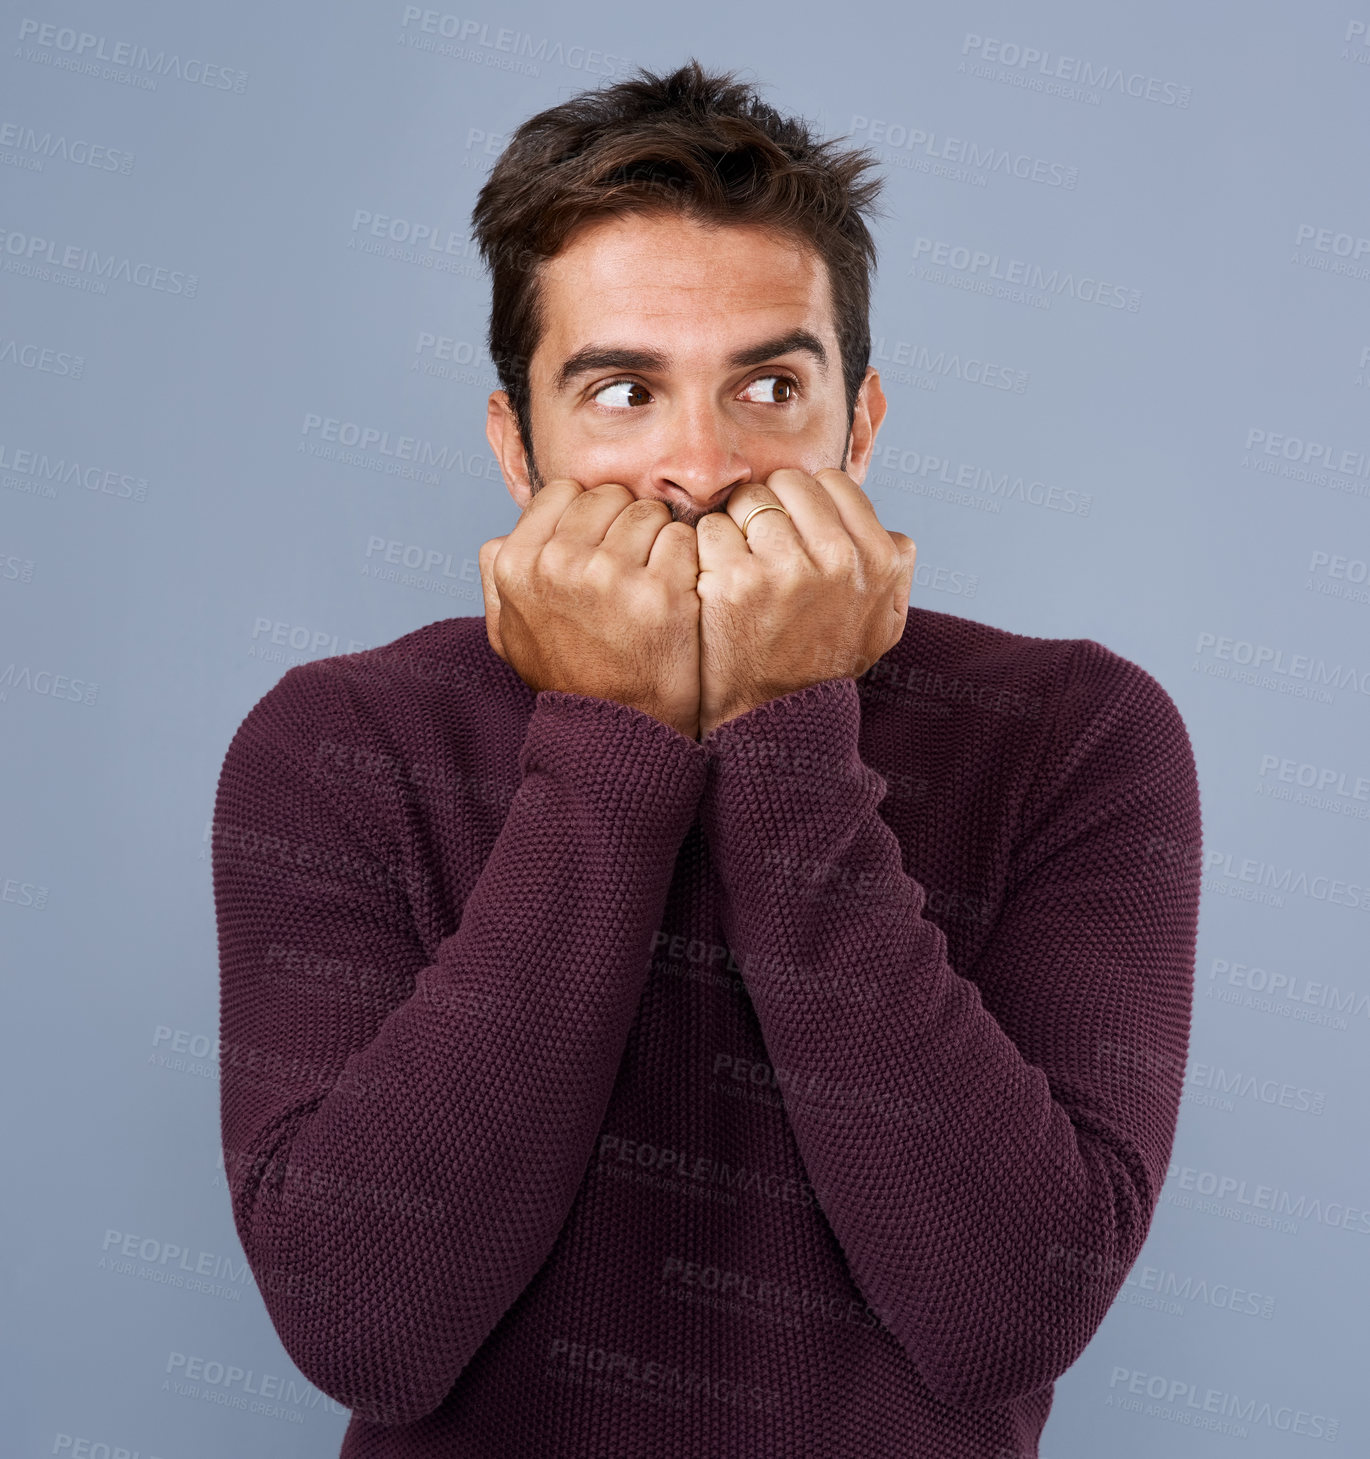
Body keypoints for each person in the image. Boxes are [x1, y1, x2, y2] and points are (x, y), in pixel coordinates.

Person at [211, 58, 1203, 1459]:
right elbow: (369, 1327)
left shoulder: (1076, 734)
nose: (701, 465)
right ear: (516, 446)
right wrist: (612, 745)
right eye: (621, 392)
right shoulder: (338, 746)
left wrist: (782, 728)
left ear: (857, 424)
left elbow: (1004, 1317)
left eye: (769, 388)